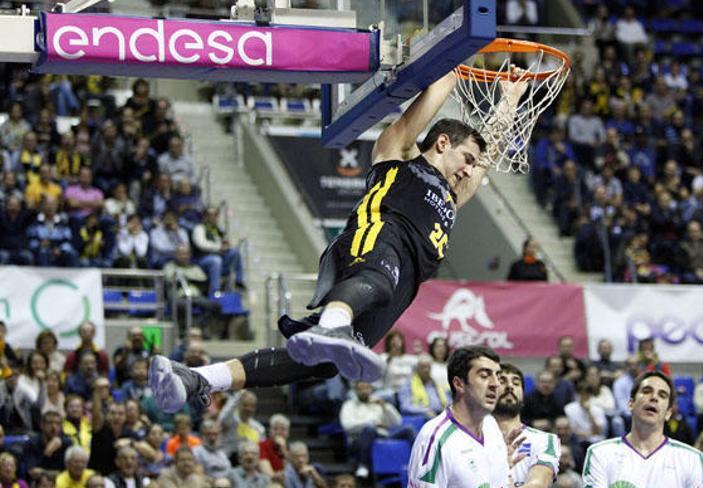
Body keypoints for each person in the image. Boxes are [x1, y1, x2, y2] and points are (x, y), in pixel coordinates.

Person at [149, 70, 527, 413]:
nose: (468, 169)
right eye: (466, 158)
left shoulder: (453, 197)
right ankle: (332, 324)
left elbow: (489, 156)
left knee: (320, 365)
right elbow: (429, 100)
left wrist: (509, 99)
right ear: (442, 143)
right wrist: (451, 61)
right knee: (377, 281)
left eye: (472, 165)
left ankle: (198, 378)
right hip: (377, 239)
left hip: (403, 283)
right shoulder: (398, 156)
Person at [406, 346, 515, 488]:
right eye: (484, 375)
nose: (496, 384)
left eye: (497, 376)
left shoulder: (491, 425)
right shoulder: (434, 438)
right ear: (459, 384)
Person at [582, 371, 703, 488]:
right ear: (631, 404)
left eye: (662, 395)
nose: (654, 398)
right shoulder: (600, 453)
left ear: (669, 413)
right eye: (646, 391)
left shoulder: (692, 459)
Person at [493, 363, 560, 488]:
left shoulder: (545, 439)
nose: (510, 386)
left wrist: (502, 476)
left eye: (516, 383)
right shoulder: (471, 439)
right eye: (502, 381)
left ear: (523, 396)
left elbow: (537, 487)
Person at [339, 381, 413, 480]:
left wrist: (385, 407)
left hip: (382, 434)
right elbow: (347, 426)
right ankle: (363, 465)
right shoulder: (349, 405)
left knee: (408, 429)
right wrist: (371, 423)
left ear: (371, 389)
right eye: (361, 389)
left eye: (367, 388)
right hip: (359, 439)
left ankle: (418, 462)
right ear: (356, 391)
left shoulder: (379, 403)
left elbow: (397, 422)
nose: (364, 391)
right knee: (369, 429)